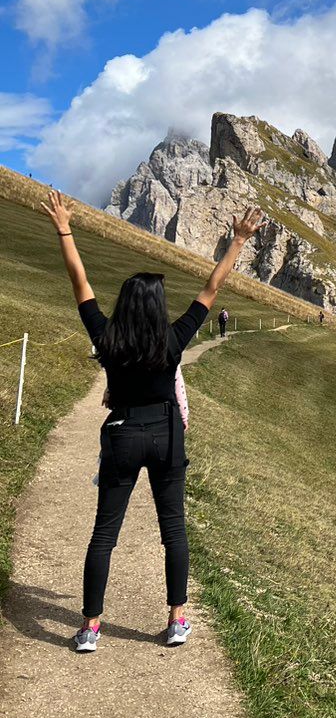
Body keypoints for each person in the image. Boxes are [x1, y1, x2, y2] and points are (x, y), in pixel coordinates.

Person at [41, 189, 264, 653]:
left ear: (124, 304)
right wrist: (238, 242)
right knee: (174, 530)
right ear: (157, 306)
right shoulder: (173, 339)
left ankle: (89, 628)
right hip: (166, 435)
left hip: (122, 436)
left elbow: (79, 283)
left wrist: (65, 229)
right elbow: (211, 289)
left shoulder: (107, 337)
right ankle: (176, 620)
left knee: (104, 534)